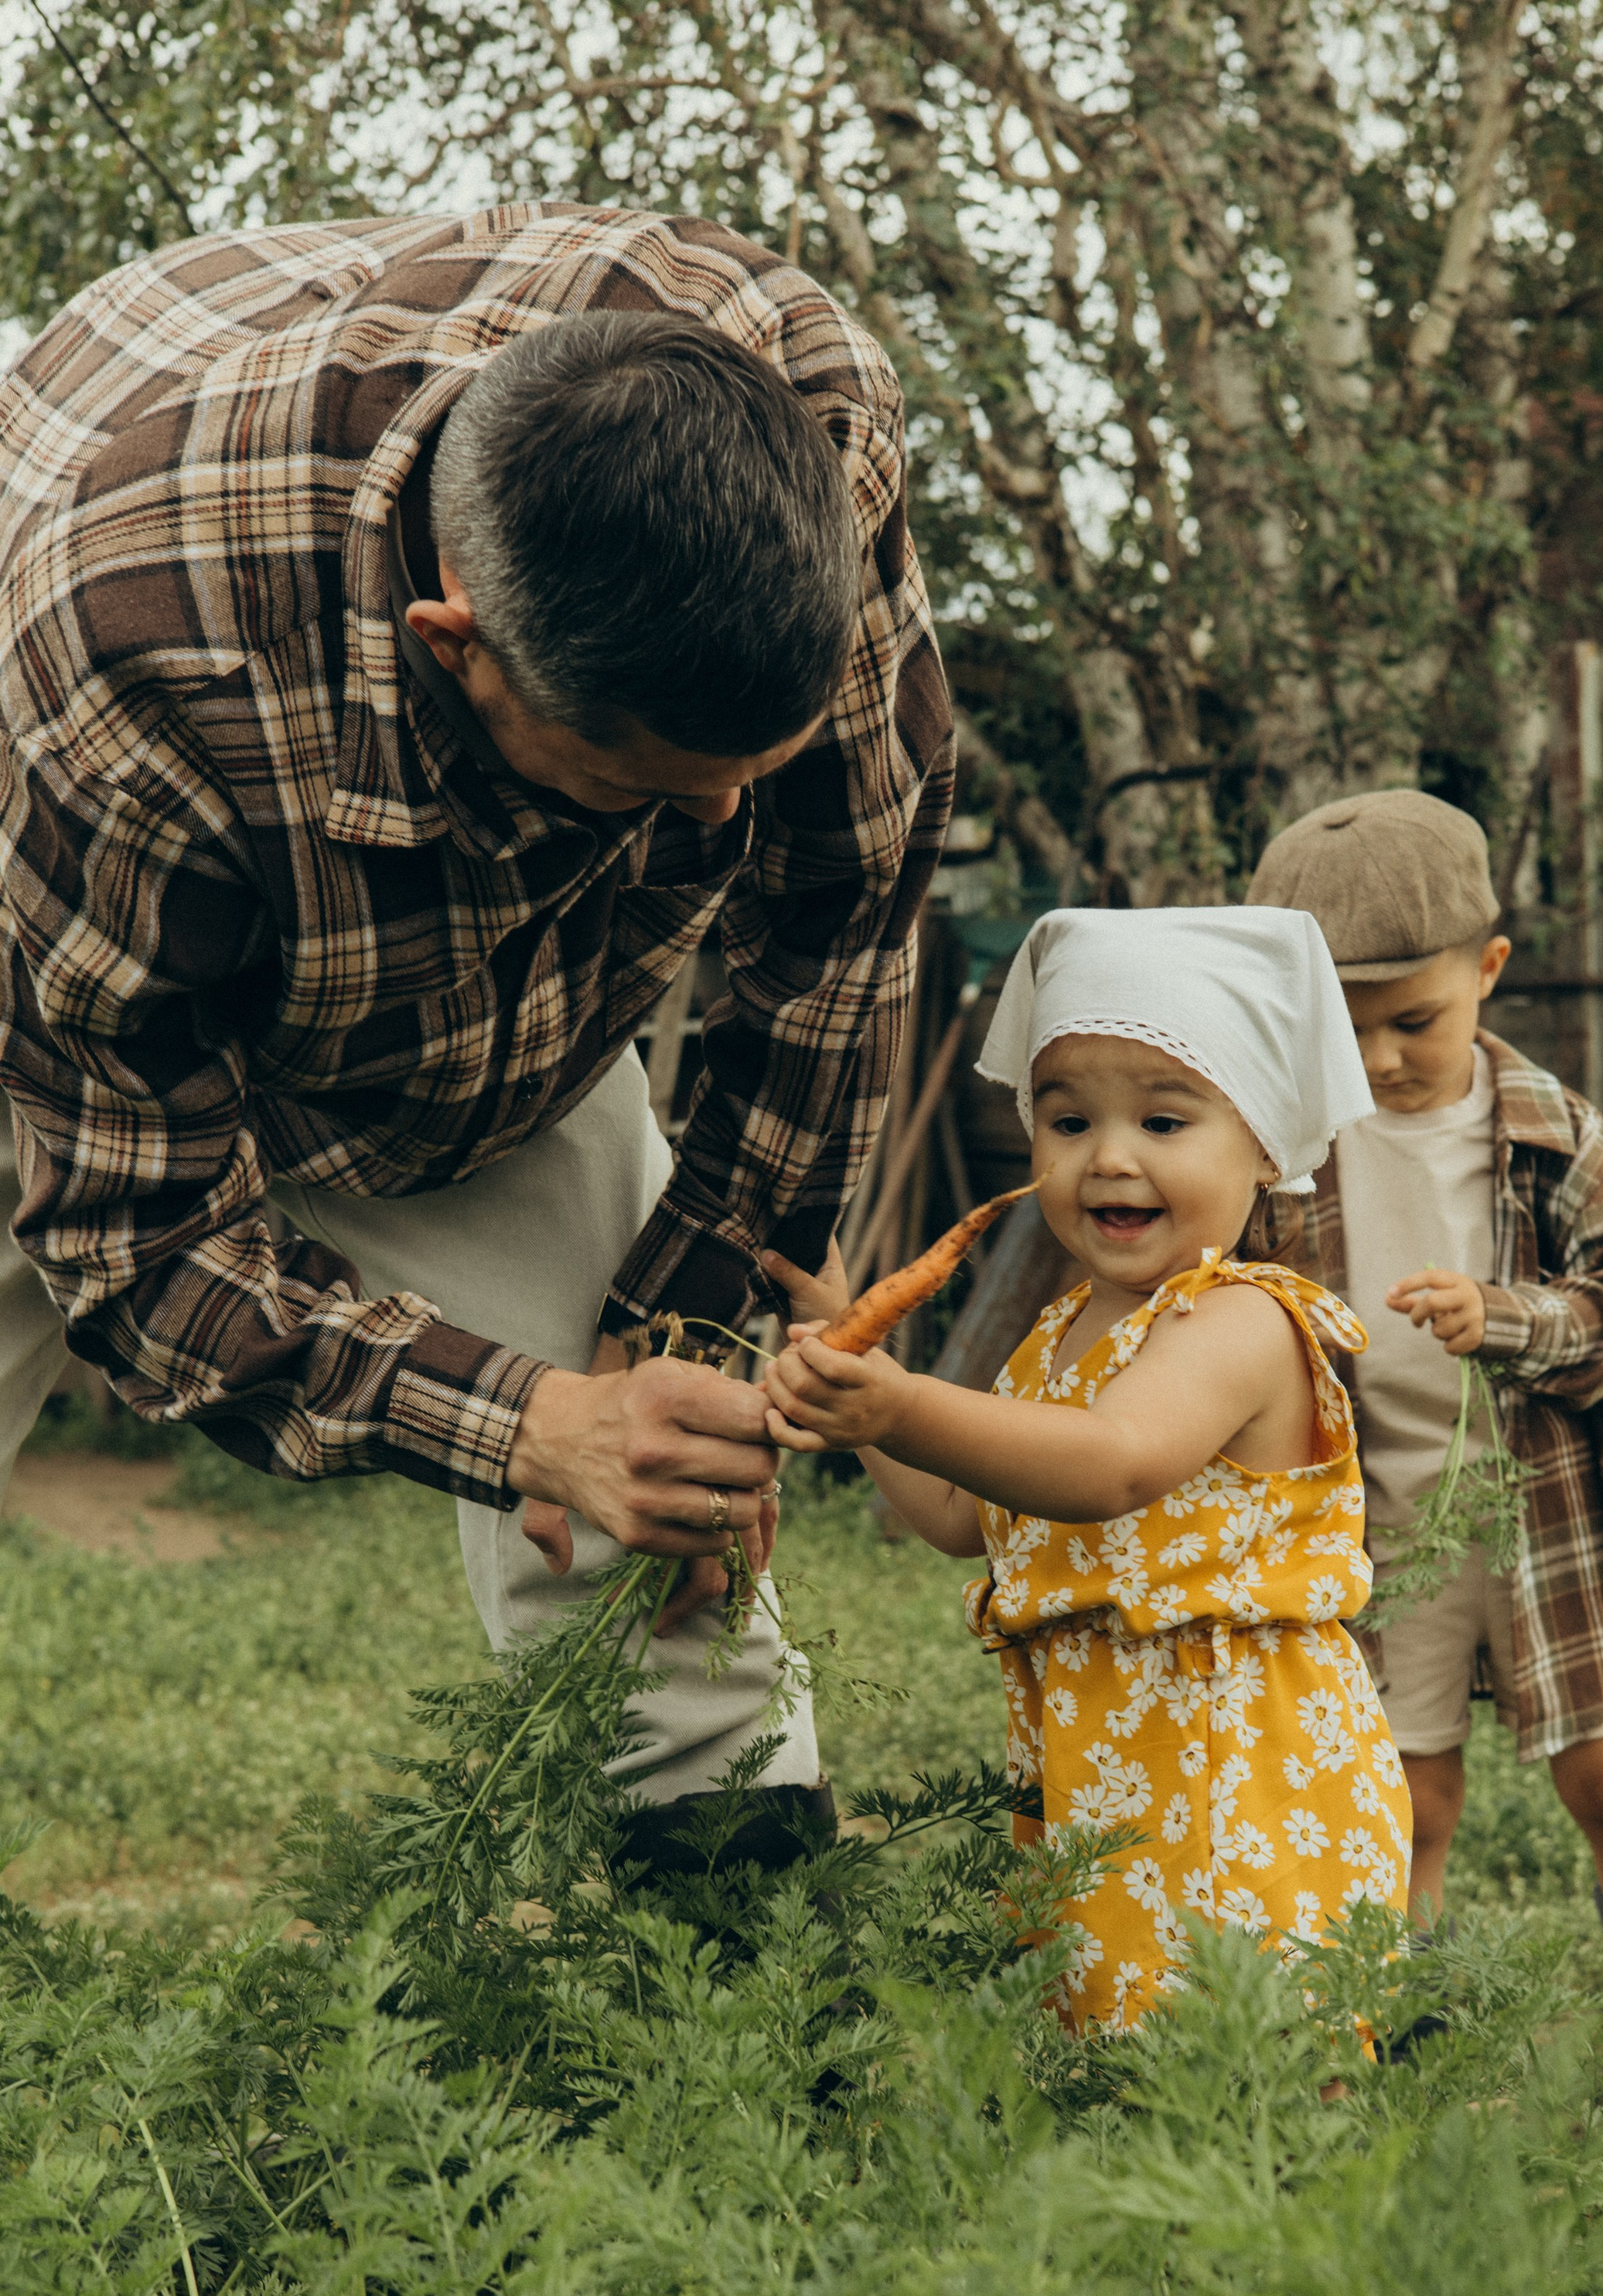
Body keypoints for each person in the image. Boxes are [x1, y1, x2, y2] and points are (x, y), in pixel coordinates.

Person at [0, 205, 953, 1870]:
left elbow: (836, 919)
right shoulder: (130, 680)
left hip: (484, 1024)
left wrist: (668, 1350)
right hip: (65, 974)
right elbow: (136, 1240)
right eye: (649, 789)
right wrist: (522, 1424)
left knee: (664, 1532)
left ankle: (738, 2050)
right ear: (461, 644)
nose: (724, 825)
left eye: (751, 765)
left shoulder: (806, 411)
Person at [759, 905, 1413, 2032]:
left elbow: (1111, 1465)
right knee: (1113, 2045)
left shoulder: (1243, 1321)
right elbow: (966, 1516)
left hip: (1238, 1769)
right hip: (1102, 1761)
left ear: (1264, 1143)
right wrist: (859, 1380)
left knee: (1245, 2054)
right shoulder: (1058, 1333)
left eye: (1164, 1119)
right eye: (1068, 1121)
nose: (1109, 1155)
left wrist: (903, 1400)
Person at [1247, 789, 1603, 2121]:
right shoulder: (1277, 1148)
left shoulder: (1557, 1133)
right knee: (1402, 1805)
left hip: (1536, 1510)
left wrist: (1512, 1320)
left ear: (1486, 973)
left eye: (1413, 1021)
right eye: (1343, 1030)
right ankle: (1392, 2042)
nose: (1379, 1056)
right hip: (1376, 1523)